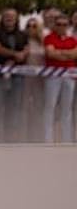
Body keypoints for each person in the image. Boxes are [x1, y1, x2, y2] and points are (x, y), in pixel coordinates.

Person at [0, 7, 28, 142]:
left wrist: (21, 55)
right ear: (2, 19)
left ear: (16, 19)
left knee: (15, 106)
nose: (9, 19)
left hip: (17, 75)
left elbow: (26, 49)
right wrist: (15, 55)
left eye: (12, 16)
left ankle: (11, 136)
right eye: (7, 16)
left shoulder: (22, 34)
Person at [42, 14, 77, 143]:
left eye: (64, 24)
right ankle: (48, 139)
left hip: (69, 76)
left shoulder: (72, 39)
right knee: (50, 107)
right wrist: (67, 54)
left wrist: (60, 52)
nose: (62, 27)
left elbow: (75, 54)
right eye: (59, 24)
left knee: (67, 108)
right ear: (54, 25)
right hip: (53, 76)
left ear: (68, 26)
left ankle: (67, 139)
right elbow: (50, 53)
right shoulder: (49, 38)